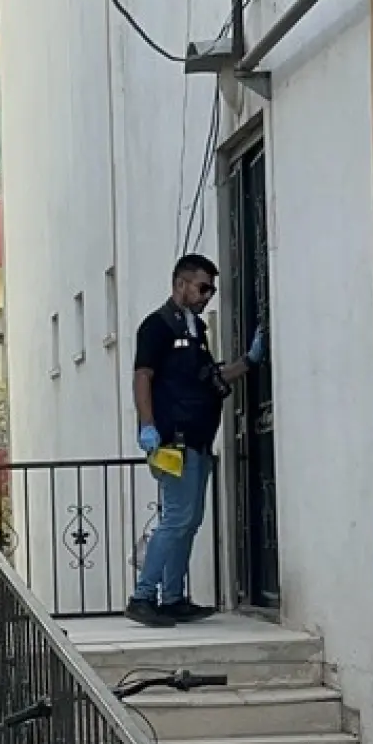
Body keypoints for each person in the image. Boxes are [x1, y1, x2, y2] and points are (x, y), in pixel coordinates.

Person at [128, 251, 259, 626]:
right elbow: (142, 377)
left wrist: (249, 361)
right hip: (173, 440)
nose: (207, 296)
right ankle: (143, 596)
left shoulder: (195, 330)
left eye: (211, 291)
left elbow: (210, 379)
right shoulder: (157, 326)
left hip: (199, 439)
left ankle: (172, 597)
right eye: (202, 288)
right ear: (180, 284)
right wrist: (148, 426)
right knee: (176, 519)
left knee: (190, 521)